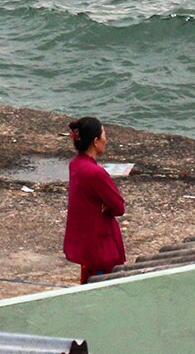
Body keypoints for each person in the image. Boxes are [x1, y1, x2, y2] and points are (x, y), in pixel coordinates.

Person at [61, 115, 127, 284]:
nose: (106, 139)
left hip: (86, 246)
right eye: (104, 135)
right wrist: (106, 206)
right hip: (101, 247)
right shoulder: (96, 173)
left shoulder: (75, 164)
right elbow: (119, 207)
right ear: (96, 141)